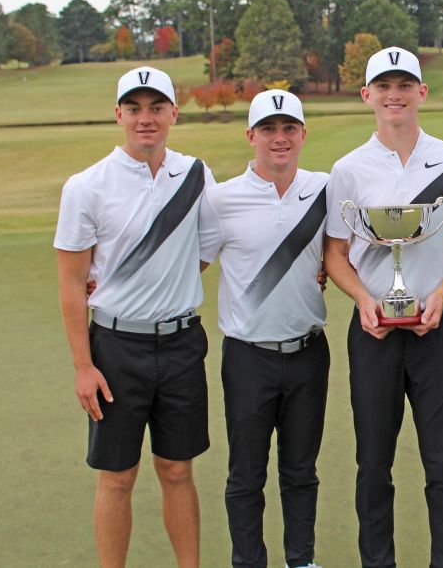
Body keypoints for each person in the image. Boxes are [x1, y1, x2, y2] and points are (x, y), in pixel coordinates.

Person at [323, 46, 443, 568]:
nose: (394, 95)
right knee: (373, 464)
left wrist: (442, 294)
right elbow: (335, 254)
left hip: (435, 331)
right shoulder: (348, 170)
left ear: (422, 92)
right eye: (384, 86)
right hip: (372, 332)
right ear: (367, 94)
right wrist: (365, 301)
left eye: (404, 86)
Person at [55, 66, 215, 568]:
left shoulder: (195, 175)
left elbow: (206, 250)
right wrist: (83, 366)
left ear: (173, 113)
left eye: (155, 108)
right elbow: (69, 283)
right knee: (118, 476)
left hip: (182, 342)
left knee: (176, 470)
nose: (145, 119)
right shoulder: (86, 186)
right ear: (118, 114)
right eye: (134, 108)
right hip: (116, 348)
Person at [199, 90, 329, 568]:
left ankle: (301, 559)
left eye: (289, 128)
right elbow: (189, 263)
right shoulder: (221, 200)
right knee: (246, 474)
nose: (280, 138)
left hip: (309, 351)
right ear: (251, 136)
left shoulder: (325, 189)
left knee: (300, 470)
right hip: (248, 355)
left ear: (302, 134)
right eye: (269, 130)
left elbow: (347, 254)